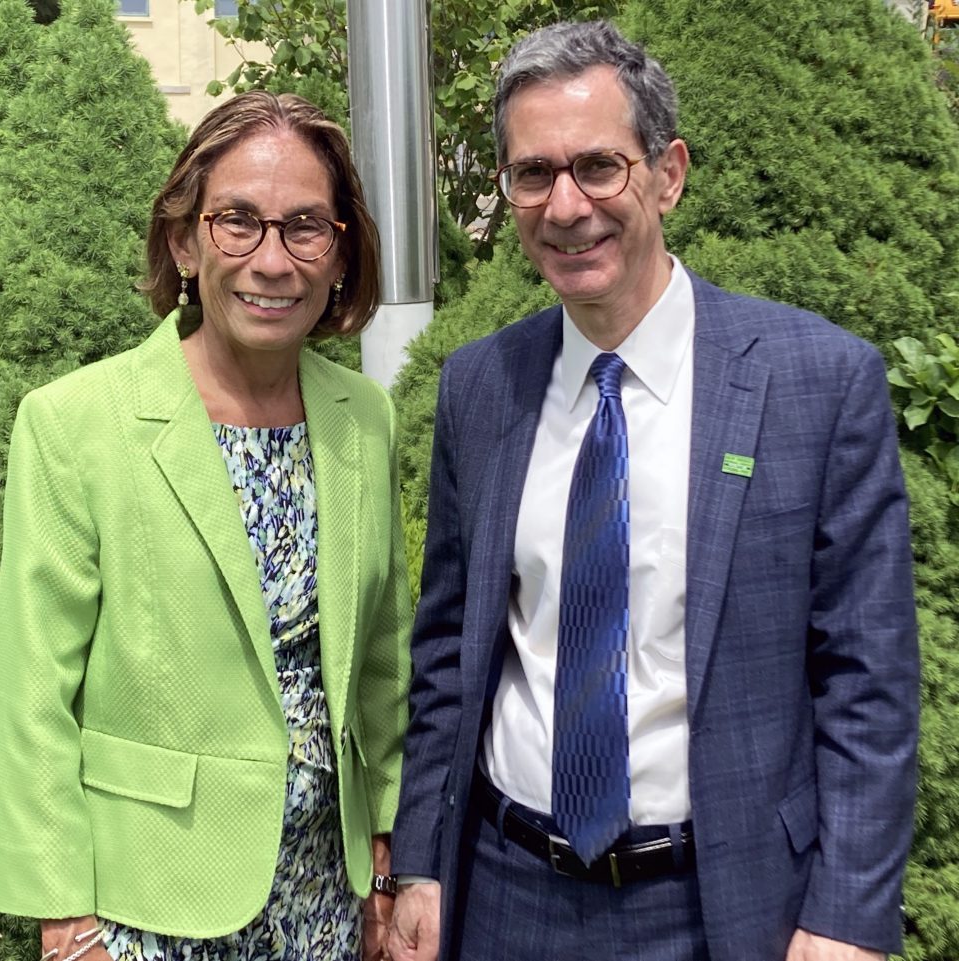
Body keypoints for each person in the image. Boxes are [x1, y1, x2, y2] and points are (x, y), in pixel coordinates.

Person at [389, 19, 919, 961]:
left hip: (722, 907)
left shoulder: (818, 382)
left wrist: (844, 915)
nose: (565, 205)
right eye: (532, 173)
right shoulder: (480, 386)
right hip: (505, 895)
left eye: (599, 166)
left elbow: (868, 683)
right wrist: (421, 863)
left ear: (667, 173)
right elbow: (446, 657)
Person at [0, 90, 412, 961]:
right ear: (184, 240)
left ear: (340, 253)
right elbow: (34, 700)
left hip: (325, 902)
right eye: (237, 223)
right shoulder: (76, 422)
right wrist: (66, 923)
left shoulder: (363, 419)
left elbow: (382, 666)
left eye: (305, 226)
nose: (272, 259)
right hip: (145, 908)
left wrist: (388, 852)